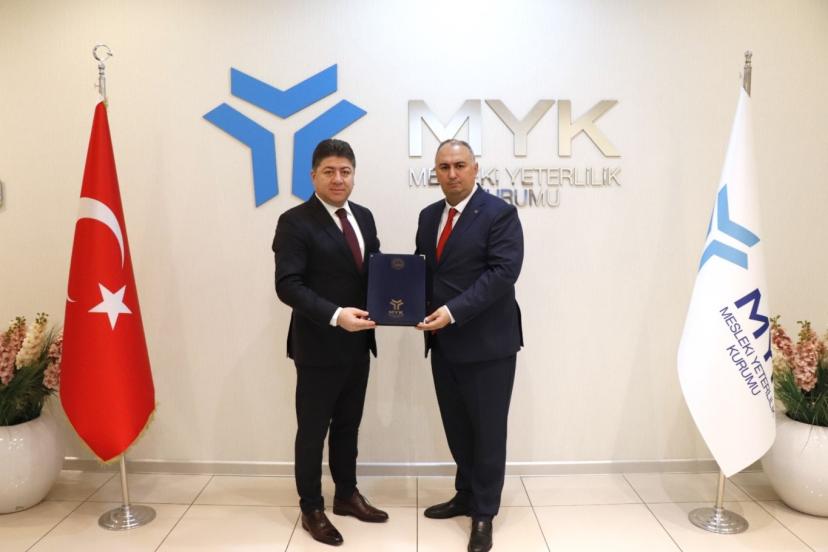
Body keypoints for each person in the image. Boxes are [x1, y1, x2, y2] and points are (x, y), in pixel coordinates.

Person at [272, 138, 388, 547]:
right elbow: (288, 285)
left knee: (348, 426)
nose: (338, 179)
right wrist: (337, 315)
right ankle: (311, 508)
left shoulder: (364, 217)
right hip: (319, 346)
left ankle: (346, 495)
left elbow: (376, 272)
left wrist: (398, 302)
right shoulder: (294, 221)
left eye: (345, 171)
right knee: (312, 431)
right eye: (329, 172)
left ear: (354, 175)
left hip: (359, 344)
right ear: (313, 176)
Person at [415, 139, 524, 552]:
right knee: (458, 427)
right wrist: (403, 305)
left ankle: (484, 513)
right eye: (444, 166)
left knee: (488, 432)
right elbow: (423, 271)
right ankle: (465, 494)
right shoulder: (429, 216)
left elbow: (502, 274)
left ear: (475, 169)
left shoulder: (499, 214)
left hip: (488, 346)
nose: (452, 173)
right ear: (436, 172)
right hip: (443, 343)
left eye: (460, 165)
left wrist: (451, 311)